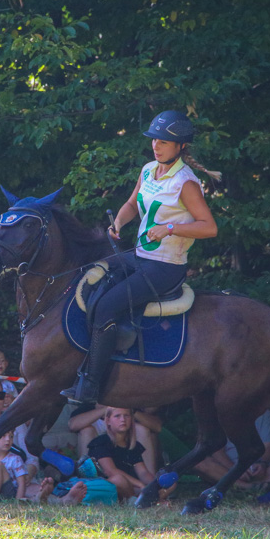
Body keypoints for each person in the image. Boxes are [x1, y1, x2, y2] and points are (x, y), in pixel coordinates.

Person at [61, 110, 219, 405]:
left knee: (106, 307)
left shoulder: (185, 182)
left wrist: (170, 227)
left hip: (166, 266)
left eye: (163, 142)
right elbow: (132, 203)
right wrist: (119, 222)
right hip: (140, 255)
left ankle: (91, 386)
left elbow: (209, 227)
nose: (156, 145)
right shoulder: (148, 170)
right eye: (154, 140)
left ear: (181, 146)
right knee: (90, 277)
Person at [0, 377, 86, 504]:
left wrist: (25, 473)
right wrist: (6, 472)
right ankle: (43, 499)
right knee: (8, 483)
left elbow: (31, 457)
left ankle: (61, 501)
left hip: (19, 477)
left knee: (29, 485)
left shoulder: (16, 423)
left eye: (0, 395)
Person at [194, 410, 270, 492]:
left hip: (255, 468)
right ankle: (246, 487)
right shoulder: (221, 414)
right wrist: (235, 471)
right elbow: (217, 451)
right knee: (199, 462)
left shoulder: (264, 414)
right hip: (227, 467)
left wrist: (262, 464)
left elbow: (269, 448)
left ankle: (235, 485)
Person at [88, 407, 174, 503]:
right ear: (108, 421)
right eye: (117, 416)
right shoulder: (100, 443)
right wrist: (141, 485)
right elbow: (111, 471)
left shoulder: (132, 445)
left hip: (129, 486)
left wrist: (155, 484)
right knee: (118, 479)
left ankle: (150, 498)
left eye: (126, 416)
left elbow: (143, 473)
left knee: (170, 481)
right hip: (107, 486)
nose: (123, 420)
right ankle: (140, 500)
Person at [68, 404, 163, 472]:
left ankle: (150, 482)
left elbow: (157, 427)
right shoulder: (87, 408)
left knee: (142, 429)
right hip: (97, 453)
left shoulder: (127, 409)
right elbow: (72, 426)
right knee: (86, 430)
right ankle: (87, 476)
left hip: (126, 448)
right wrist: (106, 409)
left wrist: (129, 410)